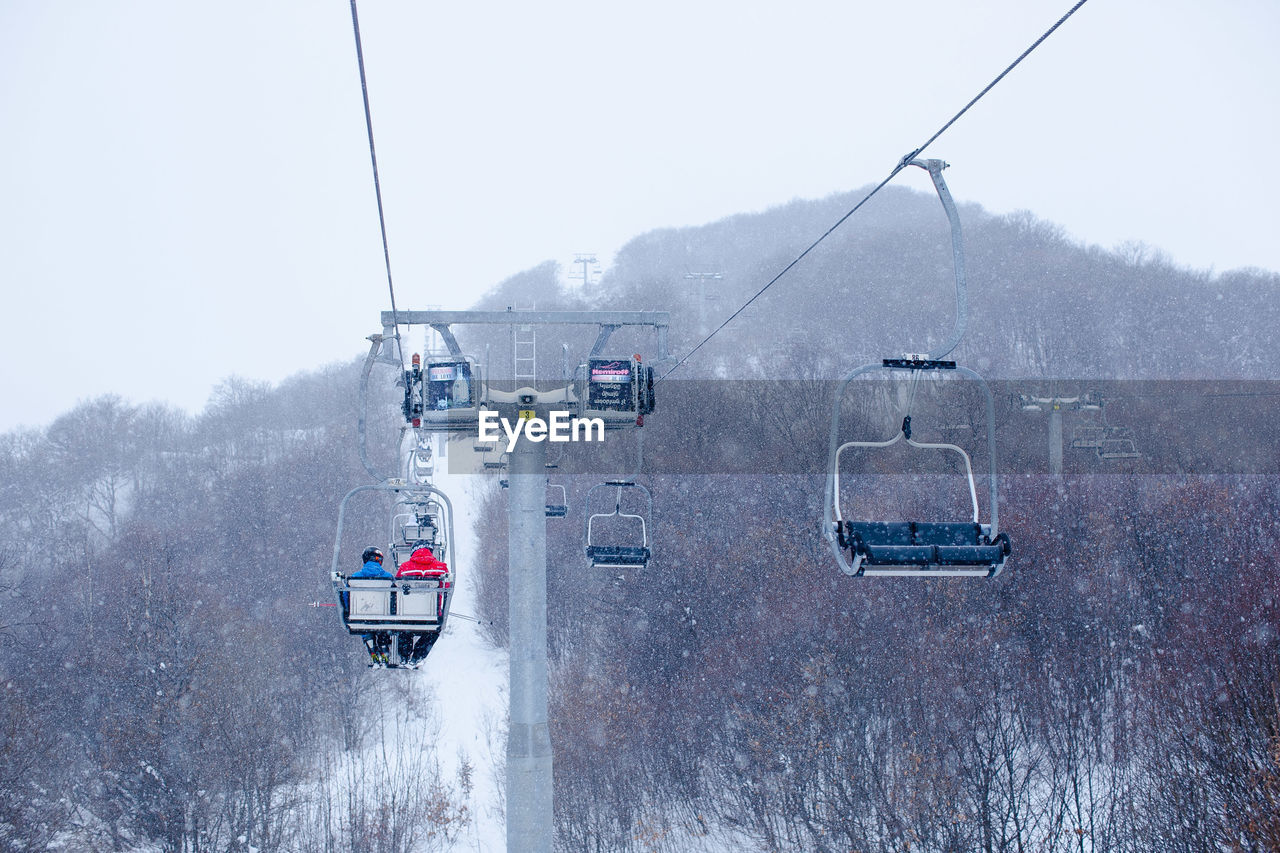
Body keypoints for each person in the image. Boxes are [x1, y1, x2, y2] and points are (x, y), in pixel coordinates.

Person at [395, 544, 451, 663]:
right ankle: (417, 656)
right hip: (431, 615)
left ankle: (404, 655)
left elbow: (396, 586)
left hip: (406, 614)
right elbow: (447, 587)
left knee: (404, 630)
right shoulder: (441, 568)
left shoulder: (405, 567)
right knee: (433, 631)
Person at [352, 546, 393, 664]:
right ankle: (384, 647)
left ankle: (371, 646)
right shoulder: (388, 577)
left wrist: (347, 609)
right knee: (383, 627)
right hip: (383, 616)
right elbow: (394, 597)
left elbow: (346, 595)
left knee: (366, 624)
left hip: (362, 615)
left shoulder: (355, 577)